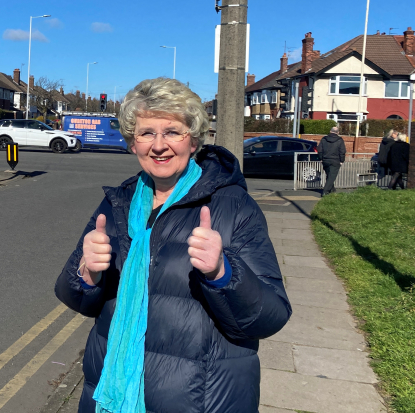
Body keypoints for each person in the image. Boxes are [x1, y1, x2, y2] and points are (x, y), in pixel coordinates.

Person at [55, 78, 291, 413]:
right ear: (132, 143)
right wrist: (87, 275)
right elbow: (72, 294)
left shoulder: (233, 206)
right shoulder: (117, 204)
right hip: (109, 397)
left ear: (193, 140)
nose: (159, 145)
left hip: (202, 401)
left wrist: (223, 273)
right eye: (146, 133)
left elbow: (271, 316)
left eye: (172, 131)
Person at [319, 125, 346, 195]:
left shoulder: (324, 139)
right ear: (338, 132)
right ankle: (325, 191)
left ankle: (332, 190)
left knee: (329, 175)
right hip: (335, 160)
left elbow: (320, 150)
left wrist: (321, 158)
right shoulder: (340, 140)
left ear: (330, 131)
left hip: (325, 160)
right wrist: (341, 161)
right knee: (332, 176)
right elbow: (342, 151)